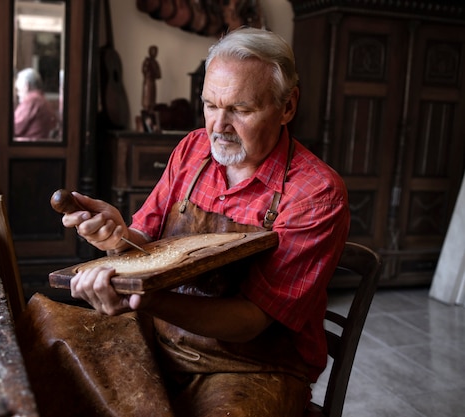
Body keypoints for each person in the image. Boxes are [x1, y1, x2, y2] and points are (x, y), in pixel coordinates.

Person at [18, 27, 350, 416]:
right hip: (160, 336)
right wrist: (116, 237)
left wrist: (146, 299)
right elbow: (143, 242)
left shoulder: (315, 194)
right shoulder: (193, 150)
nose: (219, 126)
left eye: (240, 109)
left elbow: (250, 322)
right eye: (210, 104)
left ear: (288, 106)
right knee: (47, 330)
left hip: (250, 364)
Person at [13, 67, 57, 139]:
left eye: (18, 90)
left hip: (28, 148)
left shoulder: (32, 100)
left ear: (26, 86)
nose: (17, 94)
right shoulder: (41, 99)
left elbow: (14, 128)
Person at [142, 45, 161, 112]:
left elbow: (159, 75)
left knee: (153, 101)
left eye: (156, 51)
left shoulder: (155, 62)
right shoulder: (147, 61)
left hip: (153, 82)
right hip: (148, 82)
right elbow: (145, 71)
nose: (155, 53)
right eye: (154, 51)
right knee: (147, 100)